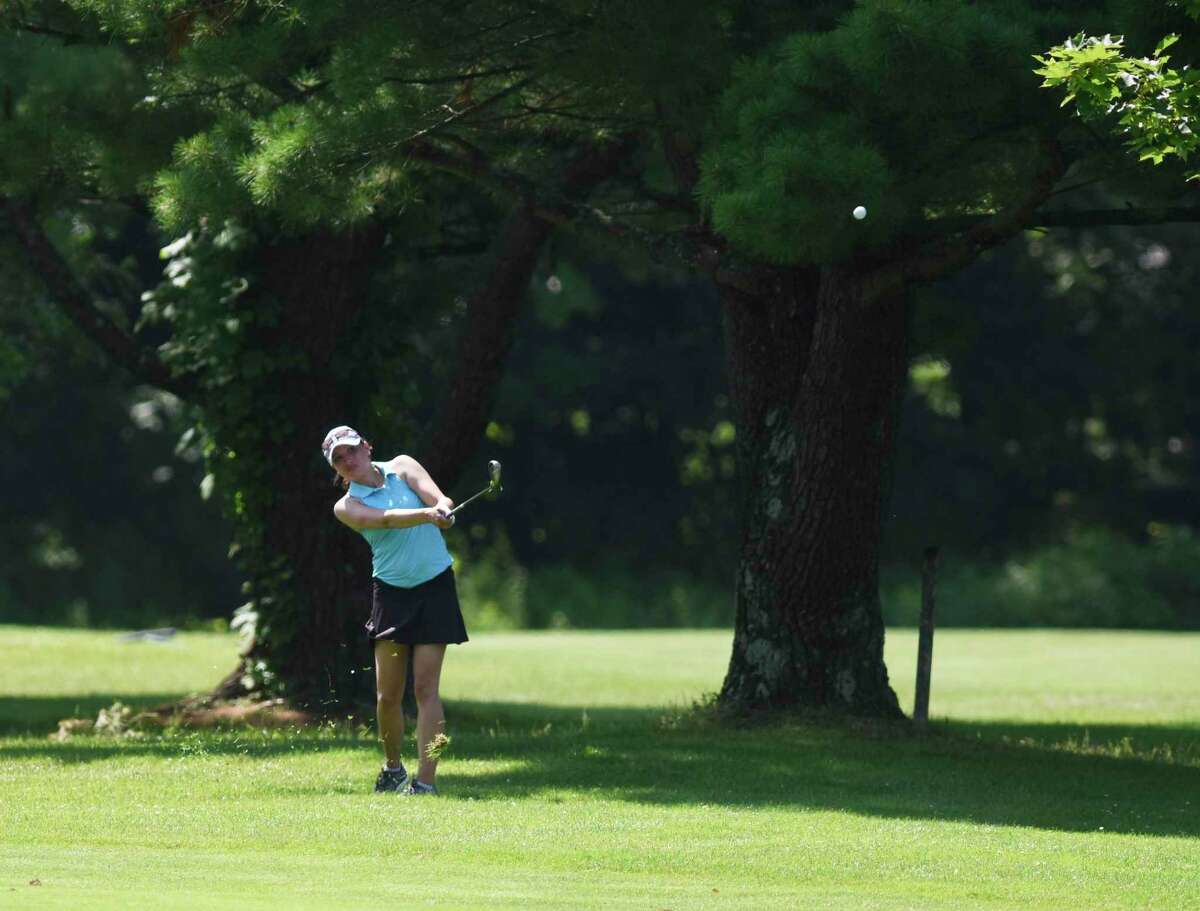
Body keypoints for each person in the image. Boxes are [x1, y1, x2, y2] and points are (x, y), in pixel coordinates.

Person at [321, 424, 468, 795]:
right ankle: (392, 768)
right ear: (336, 470)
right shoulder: (347, 506)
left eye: (352, 450)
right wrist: (428, 515)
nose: (348, 460)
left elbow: (438, 497)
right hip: (391, 594)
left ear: (367, 447)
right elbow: (385, 520)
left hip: (435, 586)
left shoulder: (403, 466)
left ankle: (427, 781)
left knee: (426, 689)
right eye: (339, 459)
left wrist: (444, 509)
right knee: (388, 695)